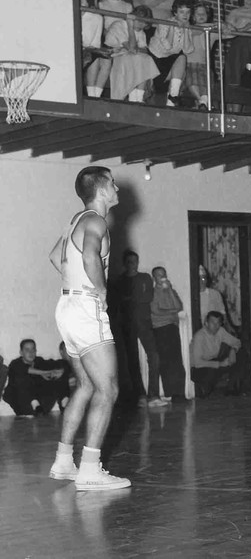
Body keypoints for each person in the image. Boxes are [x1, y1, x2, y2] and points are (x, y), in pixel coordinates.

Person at [46, 166, 130, 490]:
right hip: (84, 308)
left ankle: (64, 461)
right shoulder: (96, 220)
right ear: (100, 188)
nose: (117, 187)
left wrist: (76, 286)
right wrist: (101, 290)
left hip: (67, 307)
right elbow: (92, 256)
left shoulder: (75, 221)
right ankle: (91, 470)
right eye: (112, 182)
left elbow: (56, 257)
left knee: (84, 385)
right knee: (108, 389)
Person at [114, 249, 166, 408]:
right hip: (128, 325)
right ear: (125, 263)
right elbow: (119, 301)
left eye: (135, 261)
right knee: (132, 361)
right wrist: (133, 299)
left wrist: (130, 298)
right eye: (129, 262)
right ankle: (140, 395)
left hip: (144, 323)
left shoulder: (145, 278)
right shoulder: (120, 280)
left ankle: (154, 395)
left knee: (154, 356)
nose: (132, 265)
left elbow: (147, 297)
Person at [105, 6, 160, 103]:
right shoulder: (118, 25)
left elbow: (145, 51)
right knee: (140, 59)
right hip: (114, 56)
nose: (141, 25)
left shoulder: (141, 31)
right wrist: (130, 27)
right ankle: (135, 98)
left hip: (130, 56)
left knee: (146, 59)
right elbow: (132, 48)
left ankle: (137, 98)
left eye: (144, 23)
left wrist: (135, 49)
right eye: (139, 21)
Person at [3, 339, 70, 416]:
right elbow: (24, 369)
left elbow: (60, 363)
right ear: (21, 352)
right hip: (22, 403)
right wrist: (45, 372)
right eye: (27, 349)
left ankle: (64, 403)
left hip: (41, 404)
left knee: (61, 370)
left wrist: (60, 371)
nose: (31, 352)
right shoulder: (15, 363)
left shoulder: (39, 361)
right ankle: (34, 403)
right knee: (21, 377)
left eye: (33, 349)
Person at [150, 266, 186, 400]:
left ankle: (180, 393)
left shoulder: (171, 291)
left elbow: (179, 306)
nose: (163, 278)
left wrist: (169, 289)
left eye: (164, 275)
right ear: (154, 278)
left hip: (172, 327)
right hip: (160, 329)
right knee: (165, 361)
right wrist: (172, 312)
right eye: (159, 275)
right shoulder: (152, 293)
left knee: (177, 360)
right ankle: (170, 393)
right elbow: (156, 311)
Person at [190, 311, 244, 397]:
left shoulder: (220, 331)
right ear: (206, 323)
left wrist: (233, 350)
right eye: (212, 322)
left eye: (218, 323)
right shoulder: (199, 336)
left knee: (241, 355)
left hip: (214, 361)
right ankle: (205, 391)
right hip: (199, 368)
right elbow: (197, 362)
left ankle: (231, 389)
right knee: (210, 373)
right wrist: (220, 364)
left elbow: (237, 342)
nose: (215, 326)